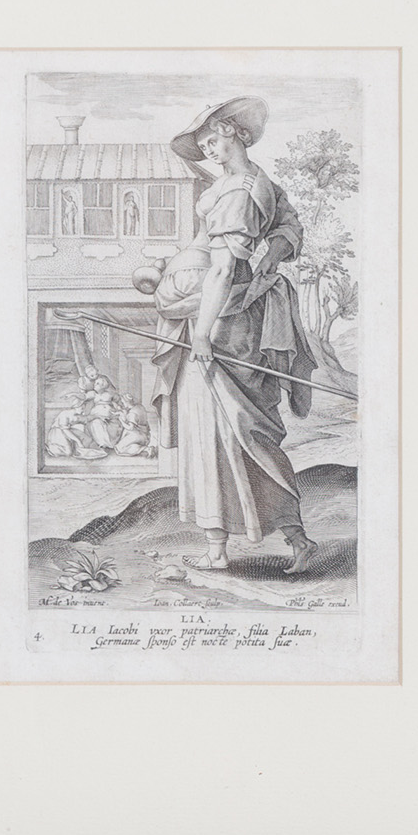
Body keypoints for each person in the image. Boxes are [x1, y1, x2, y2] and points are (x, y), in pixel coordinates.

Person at [151, 97, 318, 574]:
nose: (207, 148)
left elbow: (223, 269)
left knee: (227, 429)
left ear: (236, 133)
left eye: (212, 138)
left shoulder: (240, 192)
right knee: (222, 430)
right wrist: (269, 257)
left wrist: (202, 335)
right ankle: (223, 547)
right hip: (220, 314)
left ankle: (278, 541)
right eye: (201, 143)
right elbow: (288, 227)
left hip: (225, 324)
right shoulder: (246, 183)